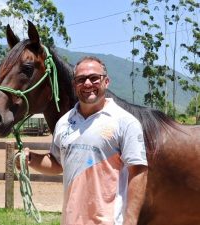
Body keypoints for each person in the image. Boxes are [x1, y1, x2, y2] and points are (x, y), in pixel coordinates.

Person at [23, 56, 148, 225]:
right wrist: (30, 160)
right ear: (75, 85)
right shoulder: (64, 122)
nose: (88, 84)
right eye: (81, 79)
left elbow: (138, 173)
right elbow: (58, 163)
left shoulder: (125, 122)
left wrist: (131, 221)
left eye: (94, 78)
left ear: (106, 82)